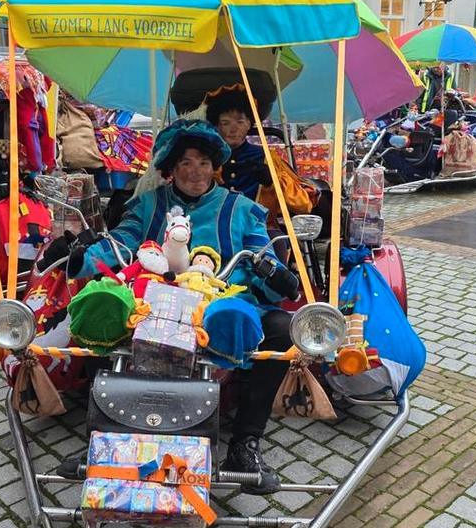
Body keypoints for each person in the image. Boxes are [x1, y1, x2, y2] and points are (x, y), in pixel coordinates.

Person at [74, 120, 300, 494]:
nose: (196, 171)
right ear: (170, 170)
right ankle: (100, 436)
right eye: (186, 164)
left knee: (280, 328)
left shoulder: (242, 208)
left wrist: (274, 274)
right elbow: (122, 242)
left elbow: (262, 254)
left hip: (224, 301)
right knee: (97, 316)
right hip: (154, 301)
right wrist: (81, 257)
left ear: (215, 167)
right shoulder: (147, 204)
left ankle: (245, 442)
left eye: (204, 163)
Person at [203, 84, 318, 226]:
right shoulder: (207, 158)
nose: (234, 128)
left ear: (249, 124)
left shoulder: (267, 158)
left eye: (240, 121)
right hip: (215, 229)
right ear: (217, 126)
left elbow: (303, 205)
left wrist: (273, 182)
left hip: (263, 232)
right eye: (226, 123)